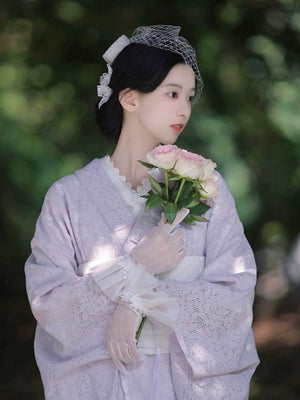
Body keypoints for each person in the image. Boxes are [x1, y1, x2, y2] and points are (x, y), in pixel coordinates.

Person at [25, 25, 259, 399]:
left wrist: (139, 303)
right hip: (106, 383)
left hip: (183, 384)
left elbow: (235, 291)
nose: (184, 109)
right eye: (172, 93)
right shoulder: (68, 197)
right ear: (130, 99)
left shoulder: (207, 188)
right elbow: (51, 305)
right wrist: (132, 267)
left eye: (190, 96)